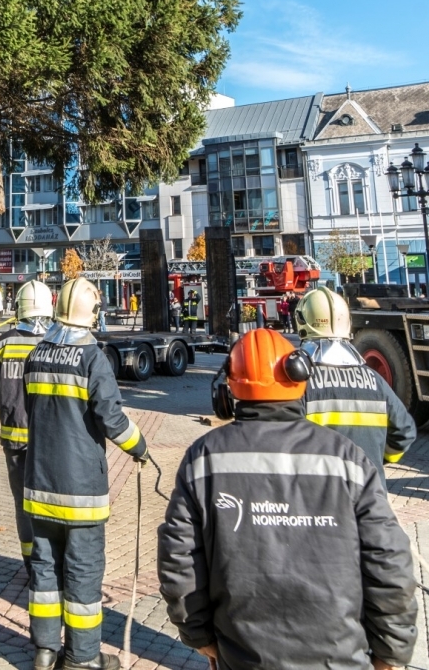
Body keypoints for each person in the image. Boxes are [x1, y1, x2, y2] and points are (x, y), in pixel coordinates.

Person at [157, 328, 417, 670]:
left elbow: (179, 560)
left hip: (242, 656)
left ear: (229, 392)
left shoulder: (203, 459)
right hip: (341, 657)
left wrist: (199, 636)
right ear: (298, 381)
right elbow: (389, 560)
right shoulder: (348, 459)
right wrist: (390, 651)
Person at [24, 277, 148, 670]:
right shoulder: (93, 358)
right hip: (80, 491)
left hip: (39, 485)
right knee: (82, 574)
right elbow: (110, 418)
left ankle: (44, 651)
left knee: (45, 570)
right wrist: (139, 447)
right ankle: (82, 658)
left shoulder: (37, 353)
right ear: (91, 313)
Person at [295, 286, 416, 486]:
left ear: (302, 322)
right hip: (371, 501)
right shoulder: (375, 380)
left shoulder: (299, 384)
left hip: (320, 501)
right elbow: (405, 432)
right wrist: (378, 459)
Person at [0, 279, 54, 570]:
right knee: (50, 502)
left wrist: (1, 411)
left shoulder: (4, 342)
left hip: (13, 440)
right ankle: (50, 562)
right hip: (49, 441)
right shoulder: (56, 343)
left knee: (23, 504)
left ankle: (30, 562)